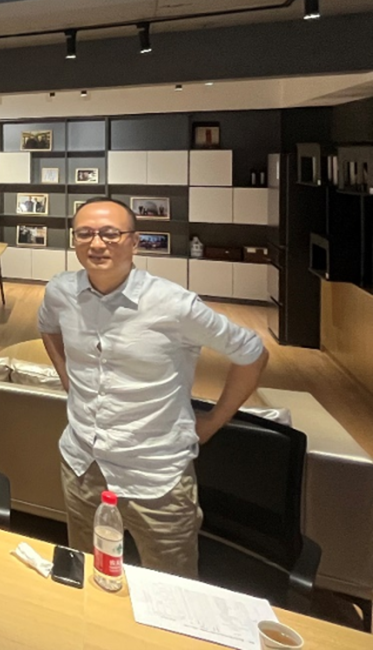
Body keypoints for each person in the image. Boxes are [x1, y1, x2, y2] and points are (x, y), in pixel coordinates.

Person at [39, 197, 268, 576]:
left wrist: (213, 422)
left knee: (169, 592)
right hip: (82, 466)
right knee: (86, 578)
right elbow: (47, 326)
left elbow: (252, 352)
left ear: (134, 241)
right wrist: (69, 380)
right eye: (85, 234)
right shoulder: (61, 292)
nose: (97, 243)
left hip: (156, 478)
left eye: (110, 234)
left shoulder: (174, 305)